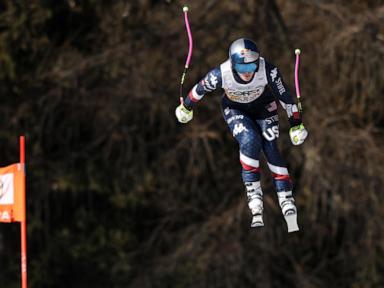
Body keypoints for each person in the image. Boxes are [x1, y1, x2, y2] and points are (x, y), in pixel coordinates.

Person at [175, 38, 308, 232]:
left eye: (252, 65)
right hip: (236, 109)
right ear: (231, 62)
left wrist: (296, 125)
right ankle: (253, 193)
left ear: (258, 61)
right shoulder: (222, 73)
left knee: (270, 145)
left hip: (263, 106)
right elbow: (199, 89)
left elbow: (285, 97)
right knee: (250, 140)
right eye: (241, 65)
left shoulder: (267, 70)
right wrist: (186, 107)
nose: (247, 71)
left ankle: (286, 197)